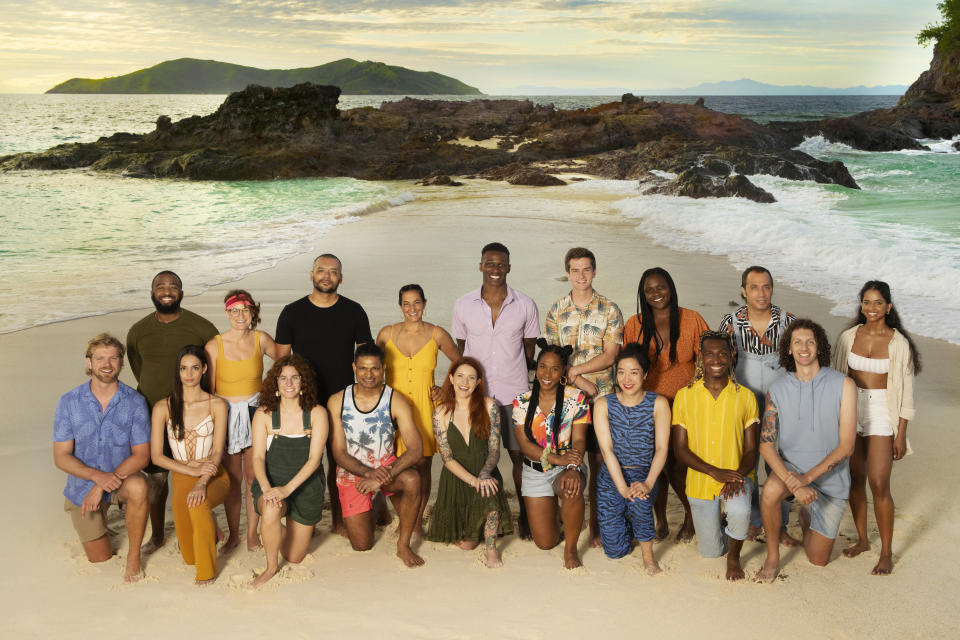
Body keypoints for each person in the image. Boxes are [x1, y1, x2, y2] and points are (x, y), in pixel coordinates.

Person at [276, 253, 373, 535]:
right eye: (321, 270)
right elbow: (282, 362)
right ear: (312, 274)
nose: (327, 276)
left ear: (341, 278)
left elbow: (366, 358)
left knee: (338, 458)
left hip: (343, 398)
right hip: (303, 398)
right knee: (306, 459)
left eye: (333, 271)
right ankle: (304, 518)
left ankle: (339, 520)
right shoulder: (292, 312)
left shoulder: (354, 311)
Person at [756, 319, 856, 582]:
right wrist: (795, 482)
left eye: (810, 342)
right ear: (788, 349)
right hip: (793, 472)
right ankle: (772, 557)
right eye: (797, 342)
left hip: (830, 480)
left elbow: (847, 446)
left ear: (819, 347)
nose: (804, 347)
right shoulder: (777, 390)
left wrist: (806, 480)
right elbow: (766, 444)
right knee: (770, 491)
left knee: (818, 559)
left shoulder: (844, 384)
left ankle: (804, 517)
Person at [452, 242, 540, 537]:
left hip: (516, 396)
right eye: (489, 264)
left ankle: (527, 516)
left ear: (509, 268)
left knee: (520, 458)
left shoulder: (526, 304)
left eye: (501, 264)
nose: (495, 269)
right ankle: (484, 514)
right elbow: (462, 351)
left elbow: (529, 351)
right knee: (478, 458)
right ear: (480, 266)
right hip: (479, 397)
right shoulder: (463, 305)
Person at [833, 281, 921, 575]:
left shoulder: (898, 343)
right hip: (851, 408)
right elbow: (836, 378)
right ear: (861, 305)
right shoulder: (847, 337)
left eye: (878, 303)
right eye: (867, 302)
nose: (872, 308)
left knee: (879, 482)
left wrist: (902, 432)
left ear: (889, 307)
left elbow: (906, 389)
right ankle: (862, 540)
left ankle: (886, 552)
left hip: (883, 411)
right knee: (855, 479)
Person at [127, 270, 218, 548]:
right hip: (151, 416)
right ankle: (157, 533)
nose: (167, 290)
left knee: (196, 470)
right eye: (160, 286)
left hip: (193, 416)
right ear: (151, 293)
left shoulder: (201, 328)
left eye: (173, 286)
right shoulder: (138, 331)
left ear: (182, 292)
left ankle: (200, 527)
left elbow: (212, 373)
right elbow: (137, 367)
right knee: (156, 478)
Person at [53, 333, 151, 583]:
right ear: (89, 363)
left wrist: (103, 484)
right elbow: (61, 457)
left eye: (113, 358)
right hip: (82, 488)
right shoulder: (68, 402)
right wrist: (96, 479)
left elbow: (141, 456)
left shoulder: (135, 403)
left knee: (140, 486)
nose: (107, 364)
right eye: (100, 358)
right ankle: (103, 526)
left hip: (123, 480)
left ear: (121, 363)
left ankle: (133, 556)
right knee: (100, 559)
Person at [544, 247, 624, 548]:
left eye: (586, 269)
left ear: (594, 271)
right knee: (566, 460)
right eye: (575, 270)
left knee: (601, 461)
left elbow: (611, 355)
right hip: (566, 402)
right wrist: (575, 381)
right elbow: (551, 360)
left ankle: (598, 527)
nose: (581, 275)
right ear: (567, 272)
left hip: (602, 398)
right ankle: (562, 522)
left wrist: (578, 373)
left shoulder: (610, 309)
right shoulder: (555, 310)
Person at [623, 267, 709, 541]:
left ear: (670, 287)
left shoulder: (692, 319)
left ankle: (691, 516)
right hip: (647, 407)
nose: (656, 294)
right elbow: (627, 368)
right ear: (643, 294)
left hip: (685, 407)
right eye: (649, 290)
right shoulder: (634, 325)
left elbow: (709, 360)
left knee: (678, 468)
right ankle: (660, 520)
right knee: (652, 469)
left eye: (661, 287)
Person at [718, 265, 798, 546]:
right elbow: (721, 365)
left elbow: (801, 366)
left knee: (781, 462)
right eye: (754, 287)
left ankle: (781, 523)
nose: (761, 293)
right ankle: (752, 520)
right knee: (748, 459)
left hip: (782, 403)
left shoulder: (788, 322)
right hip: (744, 402)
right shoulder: (731, 322)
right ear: (743, 291)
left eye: (766, 287)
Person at [328, 343, 425, 567]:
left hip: (386, 467)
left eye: (374, 369)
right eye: (363, 368)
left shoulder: (395, 400)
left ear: (383, 368)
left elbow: (416, 449)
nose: (368, 374)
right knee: (362, 545)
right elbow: (339, 453)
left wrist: (378, 477)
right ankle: (378, 502)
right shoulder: (337, 401)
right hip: (353, 472)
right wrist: (368, 474)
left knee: (413, 479)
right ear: (354, 367)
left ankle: (403, 544)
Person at [672, 331, 759, 580]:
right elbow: (680, 449)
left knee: (740, 510)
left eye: (722, 353)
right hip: (701, 483)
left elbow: (752, 450)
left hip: (737, 477)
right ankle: (723, 523)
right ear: (700, 358)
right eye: (709, 354)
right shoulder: (685, 396)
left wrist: (735, 476)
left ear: (732, 356)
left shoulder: (745, 396)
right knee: (710, 552)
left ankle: (734, 556)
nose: (716, 359)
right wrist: (714, 472)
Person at [376, 284, 459, 538]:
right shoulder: (386, 334)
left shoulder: (437, 334)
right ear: (400, 306)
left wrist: (446, 390)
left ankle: (416, 521)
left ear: (424, 302)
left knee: (422, 466)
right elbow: (369, 366)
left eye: (417, 302)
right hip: (391, 409)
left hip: (424, 408)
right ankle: (404, 516)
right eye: (406, 304)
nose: (412, 308)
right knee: (389, 465)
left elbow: (461, 362)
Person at [205, 289, 281, 552]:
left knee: (253, 476)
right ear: (227, 313)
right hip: (225, 413)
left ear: (253, 312)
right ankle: (234, 535)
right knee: (234, 478)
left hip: (255, 412)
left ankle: (252, 534)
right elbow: (210, 390)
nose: (240, 315)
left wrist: (272, 394)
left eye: (245, 309)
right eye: (234, 310)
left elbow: (286, 363)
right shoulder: (214, 345)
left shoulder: (261, 340)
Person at [149, 345, 230, 585]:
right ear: (178, 371)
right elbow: (156, 457)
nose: (189, 374)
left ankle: (206, 573)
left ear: (204, 369)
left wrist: (202, 481)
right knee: (189, 556)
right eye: (183, 368)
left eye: (195, 367)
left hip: (213, 474)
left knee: (199, 503)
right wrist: (191, 472)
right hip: (183, 475)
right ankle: (211, 527)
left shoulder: (217, 404)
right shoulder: (163, 407)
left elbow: (217, 452)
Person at [249, 355, 329, 587]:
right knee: (272, 509)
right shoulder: (263, 414)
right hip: (272, 482)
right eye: (283, 378)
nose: (289, 383)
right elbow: (257, 457)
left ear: (304, 382)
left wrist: (287, 489)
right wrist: (268, 490)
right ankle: (271, 566)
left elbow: (315, 460)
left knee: (294, 557)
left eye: (295, 377)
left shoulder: (317, 414)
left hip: (305, 487)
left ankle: (276, 531)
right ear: (275, 383)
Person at [427, 357, 513, 567]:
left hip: (484, 470)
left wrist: (484, 473)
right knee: (466, 545)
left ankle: (491, 549)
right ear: (450, 378)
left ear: (478, 382)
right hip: (458, 477)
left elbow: (494, 449)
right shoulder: (440, 413)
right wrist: (473, 481)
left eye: (471, 377)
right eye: (460, 376)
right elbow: (447, 458)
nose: (465, 381)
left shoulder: (489, 405)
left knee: (490, 491)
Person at [512, 340, 591, 569]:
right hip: (535, 472)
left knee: (570, 487)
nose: (548, 374)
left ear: (563, 371)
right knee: (545, 543)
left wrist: (572, 467)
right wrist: (558, 458)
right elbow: (525, 445)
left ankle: (571, 549)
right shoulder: (522, 402)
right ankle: (565, 514)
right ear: (536, 369)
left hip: (566, 468)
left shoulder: (576, 398)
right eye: (543, 367)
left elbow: (578, 440)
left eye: (555, 368)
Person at [592, 344, 670, 573]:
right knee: (615, 551)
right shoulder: (603, 404)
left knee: (639, 499)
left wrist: (647, 483)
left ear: (645, 375)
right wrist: (621, 487)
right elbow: (607, 451)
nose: (627, 378)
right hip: (612, 476)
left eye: (634, 372)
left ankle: (648, 556)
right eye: (622, 372)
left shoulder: (658, 403)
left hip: (645, 473)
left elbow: (662, 448)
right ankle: (624, 518)